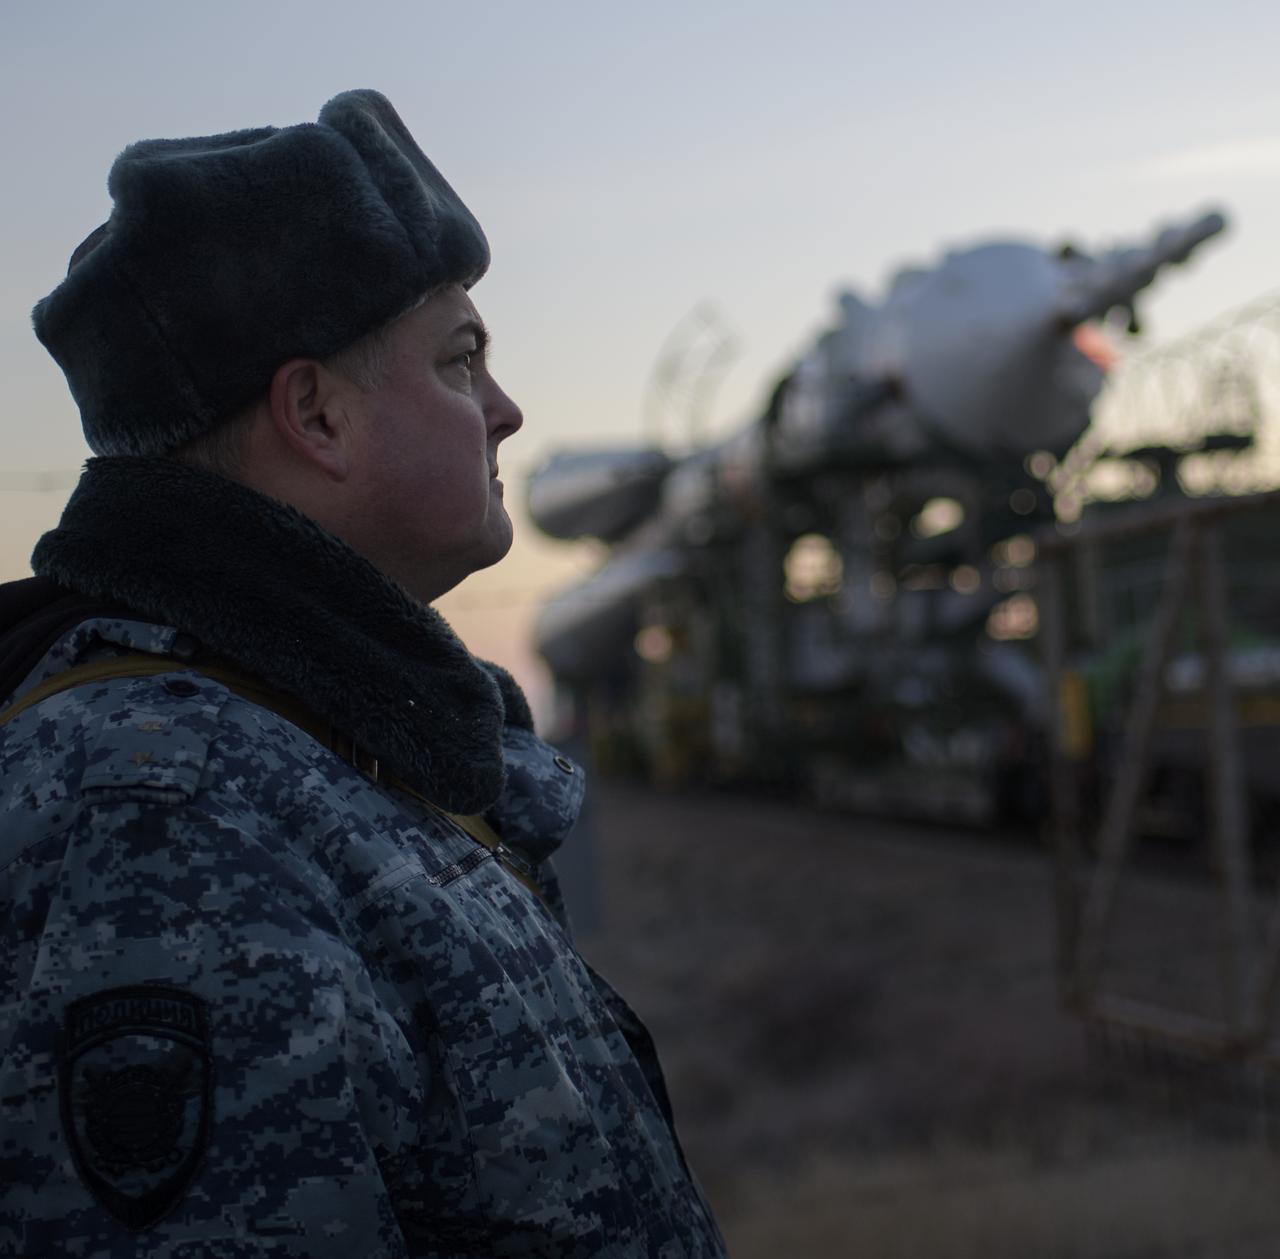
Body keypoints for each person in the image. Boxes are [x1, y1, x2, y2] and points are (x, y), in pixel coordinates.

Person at [0, 89, 727, 1258]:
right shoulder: (170, 814)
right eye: (460, 360)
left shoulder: (311, 738)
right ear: (316, 415)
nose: (505, 410)